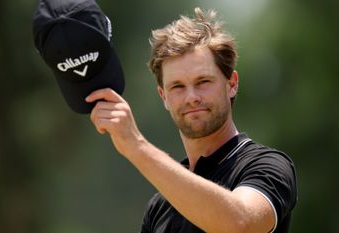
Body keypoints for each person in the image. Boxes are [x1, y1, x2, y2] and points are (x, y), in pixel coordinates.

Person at [85, 7, 297, 233]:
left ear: (231, 84)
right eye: (177, 86)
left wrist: (136, 146)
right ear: (163, 96)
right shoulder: (160, 206)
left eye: (203, 81)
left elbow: (241, 224)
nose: (192, 97)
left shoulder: (267, 165)